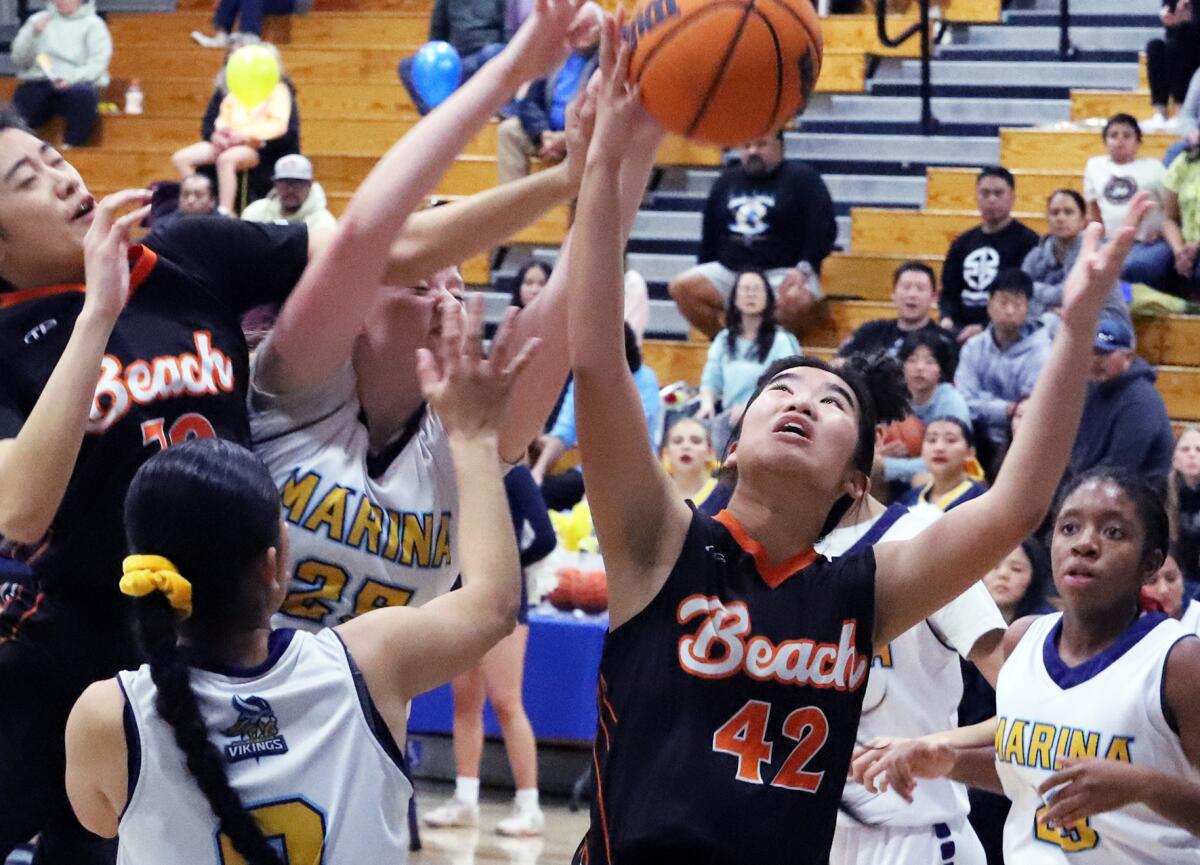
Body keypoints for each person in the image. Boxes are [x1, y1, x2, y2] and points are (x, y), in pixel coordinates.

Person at [0, 3, 587, 857]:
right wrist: (96, 316)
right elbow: (20, 506)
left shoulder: (188, 253)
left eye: (55, 157)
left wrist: (564, 185)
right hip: (83, 647)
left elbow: (381, 243)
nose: (58, 177)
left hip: (234, 650)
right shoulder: (15, 340)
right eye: (25, 181)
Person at [565, 19, 1151, 862]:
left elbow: (1019, 499)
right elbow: (594, 359)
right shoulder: (660, 544)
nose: (800, 399)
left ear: (855, 476)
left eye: (833, 400)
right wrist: (610, 159)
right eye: (779, 388)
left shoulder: (862, 591)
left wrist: (1077, 324)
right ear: (731, 440)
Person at [62, 295, 539, 863]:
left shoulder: (105, 717)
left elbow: (97, 814)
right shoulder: (368, 663)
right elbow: (493, 604)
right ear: (274, 567)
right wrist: (475, 435)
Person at [249, 0, 609, 626]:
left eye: (459, 280)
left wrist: (615, 155)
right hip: (224, 719)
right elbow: (366, 235)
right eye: (422, 277)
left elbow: (574, 301)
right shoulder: (289, 381)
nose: (447, 292)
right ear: (354, 304)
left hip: (368, 725)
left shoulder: (464, 432)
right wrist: (512, 73)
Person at [852, 467, 1200, 865]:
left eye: (1113, 532)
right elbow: (1028, 775)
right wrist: (951, 761)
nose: (1085, 544)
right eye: (1070, 528)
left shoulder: (1179, 660)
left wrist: (1146, 787)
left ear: (1150, 564)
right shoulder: (1023, 639)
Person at [818, 487, 1006, 865]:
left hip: (912, 833)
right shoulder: (766, 547)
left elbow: (1036, 705)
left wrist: (938, 744)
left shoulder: (926, 537)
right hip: (806, 831)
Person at [422, 460, 557, 837]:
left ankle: (529, 806)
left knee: (505, 700)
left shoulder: (513, 474)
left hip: (503, 601)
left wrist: (504, 569)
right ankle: (465, 799)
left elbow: (544, 536)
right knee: (465, 700)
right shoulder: (456, 471)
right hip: (463, 599)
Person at [668, 130, 836, 337]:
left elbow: (824, 229)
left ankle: (769, 351)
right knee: (682, 288)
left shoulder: (804, 178)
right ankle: (727, 344)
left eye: (761, 145)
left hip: (783, 273)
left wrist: (804, 268)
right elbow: (710, 234)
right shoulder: (726, 180)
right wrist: (703, 267)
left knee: (796, 299)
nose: (753, 151)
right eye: (747, 146)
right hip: (731, 273)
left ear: (780, 147)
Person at [530, 323, 661, 511]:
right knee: (538, 495)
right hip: (590, 476)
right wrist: (538, 472)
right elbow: (563, 433)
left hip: (635, 476)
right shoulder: (582, 380)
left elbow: (633, 439)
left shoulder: (645, 379)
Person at [171, 45, 297, 215]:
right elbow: (222, 116)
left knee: (226, 160)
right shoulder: (236, 89)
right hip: (228, 139)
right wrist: (220, 134)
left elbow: (278, 125)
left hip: (252, 144)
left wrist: (245, 135)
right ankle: (196, 200)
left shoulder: (279, 91)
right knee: (182, 157)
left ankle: (225, 210)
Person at [696, 269, 802, 456]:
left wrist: (749, 409)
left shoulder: (781, 340)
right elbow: (711, 379)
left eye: (756, 290)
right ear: (735, 299)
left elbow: (784, 385)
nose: (750, 294)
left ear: (768, 298)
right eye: (745, 289)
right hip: (729, 417)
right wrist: (707, 403)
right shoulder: (724, 339)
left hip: (768, 417)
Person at [954, 269, 1052, 463]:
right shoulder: (973, 347)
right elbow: (964, 402)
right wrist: (1006, 409)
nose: (1009, 310)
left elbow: (1026, 409)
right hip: (975, 437)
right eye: (1003, 302)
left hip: (1022, 442)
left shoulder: (1043, 352)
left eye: (1017, 303)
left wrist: (983, 400)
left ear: (1028, 307)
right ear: (989, 304)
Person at [1068, 313, 1175, 492]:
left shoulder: (1141, 401)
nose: (1096, 360)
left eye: (1104, 353)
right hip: (1092, 491)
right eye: (1092, 351)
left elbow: (1121, 468)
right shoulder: (1089, 390)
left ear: (1128, 357)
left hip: (1137, 502)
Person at [497, 6, 600, 184]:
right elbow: (529, 102)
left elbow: (604, 114)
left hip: (585, 137)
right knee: (509, 131)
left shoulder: (606, 60)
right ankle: (513, 205)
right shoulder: (559, 54)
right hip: (548, 133)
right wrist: (543, 133)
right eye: (578, 27)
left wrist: (566, 137)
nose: (582, 33)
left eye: (589, 26)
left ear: (601, 29)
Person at [940, 167, 1040, 344]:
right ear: (976, 197)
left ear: (1012, 197)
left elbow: (1029, 296)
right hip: (959, 332)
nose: (991, 199)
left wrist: (986, 326)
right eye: (985, 193)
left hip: (1007, 332)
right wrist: (947, 319)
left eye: (998, 193)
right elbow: (949, 291)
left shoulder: (1029, 242)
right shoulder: (962, 243)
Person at [1083, 115, 1174, 288]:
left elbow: (1171, 209)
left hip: (1148, 244)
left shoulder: (1154, 167)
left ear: (1138, 142)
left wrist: (1161, 233)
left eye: (1127, 135)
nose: (1120, 140)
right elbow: (1094, 213)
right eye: (1113, 135)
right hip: (1110, 242)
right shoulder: (1094, 166)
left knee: (1132, 267)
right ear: (1105, 142)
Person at [9, 0, 111, 149]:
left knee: (84, 96)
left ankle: (71, 147)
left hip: (76, 82)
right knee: (26, 97)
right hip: (40, 80)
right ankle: (18, 149)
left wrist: (70, 79)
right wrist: (33, 34)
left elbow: (97, 64)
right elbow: (19, 59)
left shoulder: (94, 25)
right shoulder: (37, 20)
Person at [879, 330, 972, 491]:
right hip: (896, 475)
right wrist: (880, 454)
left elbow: (952, 458)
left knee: (922, 479)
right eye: (912, 360)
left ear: (940, 370)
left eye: (929, 361)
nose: (920, 368)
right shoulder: (889, 397)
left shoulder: (952, 402)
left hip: (942, 475)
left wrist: (886, 465)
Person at [397, 0, 509, 115]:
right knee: (407, 66)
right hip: (456, 64)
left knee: (494, 52)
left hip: (485, 59)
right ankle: (435, 116)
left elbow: (508, 34)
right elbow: (436, 37)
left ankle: (501, 110)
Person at [837, 261, 957, 364]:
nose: (912, 294)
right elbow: (839, 362)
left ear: (934, 297)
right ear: (893, 294)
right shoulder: (870, 331)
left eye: (920, 289)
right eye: (906, 287)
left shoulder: (945, 340)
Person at [900, 417, 988, 512]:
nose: (939, 448)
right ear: (922, 451)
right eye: (932, 440)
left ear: (969, 453)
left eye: (950, 440)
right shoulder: (909, 498)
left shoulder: (981, 500)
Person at [241, 153, 337, 233]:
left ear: (310, 185)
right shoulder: (255, 212)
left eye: (297, 184)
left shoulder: (323, 223)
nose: (290, 190)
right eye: (285, 183)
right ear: (275, 184)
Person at [1144, 0, 1200, 132]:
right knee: (1155, 46)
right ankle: (1160, 111)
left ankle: (1182, 109)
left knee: (1178, 46)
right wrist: (1170, 21)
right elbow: (1170, 30)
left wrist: (1187, 20)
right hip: (1180, 47)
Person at [662, 417, 719, 508]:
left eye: (696, 441)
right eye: (678, 441)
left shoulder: (727, 494)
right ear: (667, 454)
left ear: (710, 453)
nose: (686, 446)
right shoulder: (656, 498)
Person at [1168, 426, 1200, 580]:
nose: (1192, 455)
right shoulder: (1161, 491)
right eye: (1185, 449)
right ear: (1174, 460)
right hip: (1174, 574)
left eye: (1198, 449)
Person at [1145, 549, 1200, 632]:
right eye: (1152, 581)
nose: (1163, 590)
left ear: (1182, 578)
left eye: (1171, 579)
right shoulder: (1125, 624)